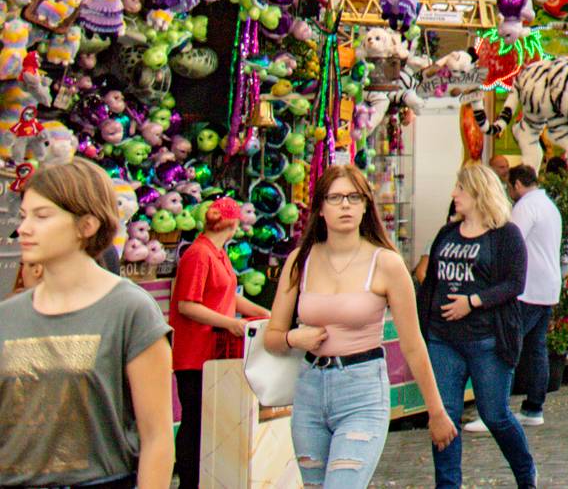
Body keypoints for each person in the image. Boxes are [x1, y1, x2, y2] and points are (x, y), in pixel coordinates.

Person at [267, 164, 455, 487]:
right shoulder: (301, 261)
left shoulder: (386, 263)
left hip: (362, 390)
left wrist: (435, 411)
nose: (345, 205)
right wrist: (294, 337)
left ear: (366, 205)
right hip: (309, 389)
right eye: (336, 197)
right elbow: (271, 337)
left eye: (354, 197)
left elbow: (413, 345)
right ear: (321, 208)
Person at [0, 159, 173, 489]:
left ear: (87, 225)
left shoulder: (130, 311)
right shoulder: (7, 317)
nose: (23, 228)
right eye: (24, 216)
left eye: (42, 216)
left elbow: (158, 439)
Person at [417, 165, 536, 488]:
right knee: (445, 416)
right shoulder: (447, 233)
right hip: (443, 340)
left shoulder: (505, 235)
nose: (454, 195)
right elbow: (431, 282)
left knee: (495, 414)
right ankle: (447, 484)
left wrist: (472, 301)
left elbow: (515, 283)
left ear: (479, 193)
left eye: (460, 188)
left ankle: (526, 474)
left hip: (487, 340)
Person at [169, 196, 269, 488]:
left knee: (208, 421)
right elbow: (188, 304)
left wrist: (263, 313)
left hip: (214, 352)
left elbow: (229, 295)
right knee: (196, 422)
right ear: (233, 223)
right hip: (194, 354)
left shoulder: (219, 254)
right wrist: (231, 323)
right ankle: (189, 481)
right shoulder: (199, 255)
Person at [463, 164, 560, 433]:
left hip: (527, 289)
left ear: (516, 185)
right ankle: (533, 406)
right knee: (535, 348)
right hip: (547, 287)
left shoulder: (526, 207)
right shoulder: (549, 205)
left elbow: (508, 242)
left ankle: (494, 410)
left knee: (505, 346)